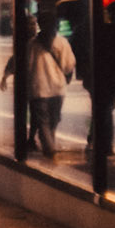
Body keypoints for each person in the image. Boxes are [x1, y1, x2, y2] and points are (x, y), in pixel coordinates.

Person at [22, 17, 76, 158]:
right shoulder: (62, 42)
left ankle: (49, 148)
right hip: (57, 88)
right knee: (54, 119)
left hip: (39, 88)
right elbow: (69, 65)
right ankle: (49, 146)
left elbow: (26, 66)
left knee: (43, 121)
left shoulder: (32, 44)